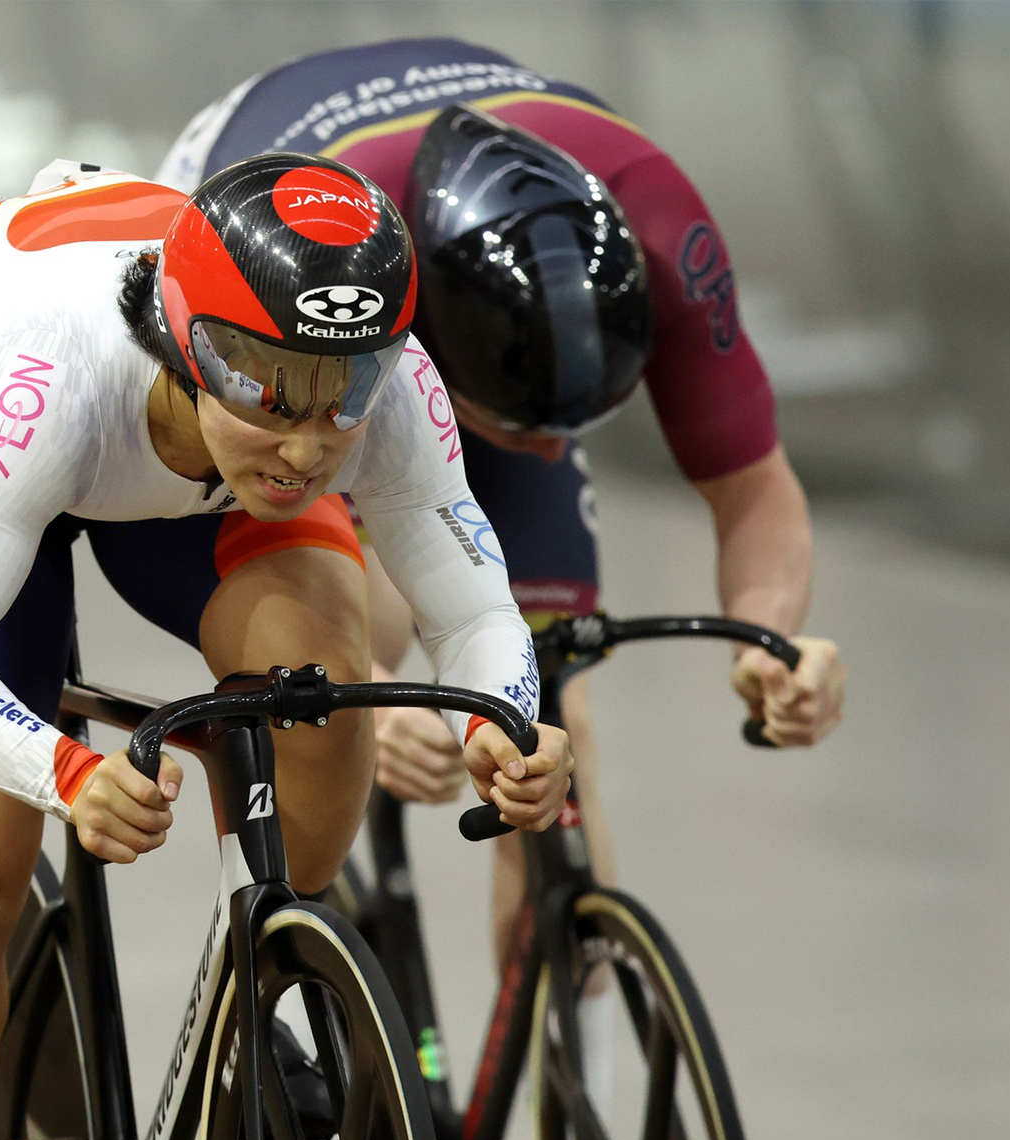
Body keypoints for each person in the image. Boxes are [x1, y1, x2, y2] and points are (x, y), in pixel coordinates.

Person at [0, 153, 571, 1140]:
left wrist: (511, 722)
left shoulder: (370, 387)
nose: (307, 441)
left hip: (190, 475)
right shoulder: (50, 375)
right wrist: (60, 768)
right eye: (267, 388)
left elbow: (473, 607)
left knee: (322, 689)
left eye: (344, 394)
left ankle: (274, 973)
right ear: (190, 343)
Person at [160, 38, 848, 970]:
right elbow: (312, 526)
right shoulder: (342, 261)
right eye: (516, 429)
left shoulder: (659, 223)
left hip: (469, 257)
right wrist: (377, 698)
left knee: (553, 715)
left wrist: (768, 641)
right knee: (343, 635)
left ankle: (570, 1054)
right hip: (290, 275)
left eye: (577, 425)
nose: (548, 450)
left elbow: (754, 485)